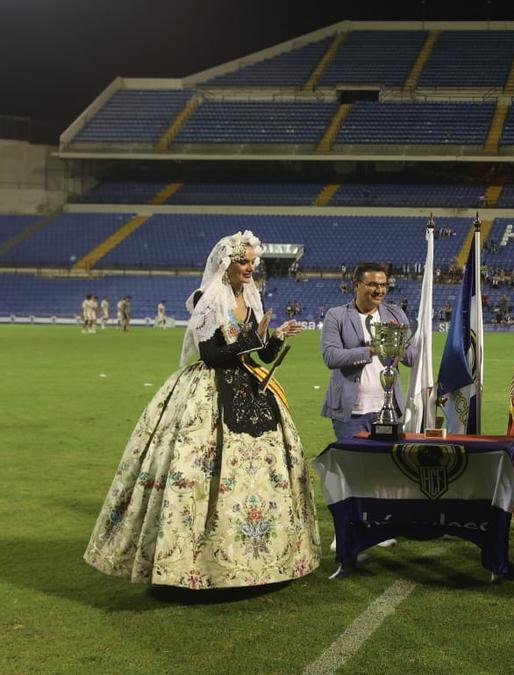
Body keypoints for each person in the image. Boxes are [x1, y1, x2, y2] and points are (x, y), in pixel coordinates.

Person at [84, 231, 318, 588]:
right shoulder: (210, 300)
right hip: (208, 390)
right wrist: (254, 339)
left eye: (253, 262)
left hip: (248, 387)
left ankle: (260, 559)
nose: (250, 268)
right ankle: (193, 562)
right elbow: (211, 355)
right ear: (226, 264)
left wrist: (276, 337)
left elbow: (259, 356)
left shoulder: (251, 299)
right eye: (244, 262)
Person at [321, 261, 418, 440]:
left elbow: (412, 358)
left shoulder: (396, 314)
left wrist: (398, 342)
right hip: (351, 413)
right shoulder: (337, 315)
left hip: (388, 409)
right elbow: (331, 357)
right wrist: (371, 350)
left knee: (385, 465)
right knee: (354, 465)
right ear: (356, 285)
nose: (379, 290)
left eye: (383, 285)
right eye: (372, 284)